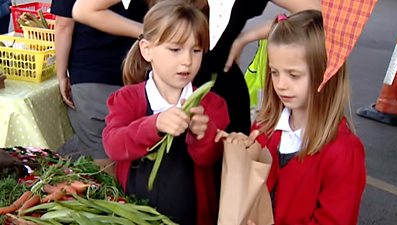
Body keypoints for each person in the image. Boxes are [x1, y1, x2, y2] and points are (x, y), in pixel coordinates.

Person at [72, 0, 321, 135]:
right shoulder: (133, 98)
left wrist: (249, 35)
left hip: (223, 92)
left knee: (223, 186)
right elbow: (83, 9)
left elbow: (319, 10)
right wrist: (152, 37)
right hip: (160, 93)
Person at [216, 10, 367, 225]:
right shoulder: (264, 127)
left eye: (293, 75)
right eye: (274, 72)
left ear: (327, 73)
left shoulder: (344, 152)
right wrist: (245, 153)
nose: (281, 84)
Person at [102, 1, 230, 225]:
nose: (187, 60)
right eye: (175, 49)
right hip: (135, 215)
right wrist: (155, 124)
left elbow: (211, 158)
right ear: (147, 50)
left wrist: (202, 134)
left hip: (192, 217)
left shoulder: (211, 105)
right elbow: (113, 145)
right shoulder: (128, 99)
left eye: (196, 50)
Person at [50, 0, 148, 174]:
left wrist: (61, 74)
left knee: (101, 151)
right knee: (138, 148)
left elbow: (63, 23)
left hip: (91, 73)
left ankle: (114, 196)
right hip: (138, 69)